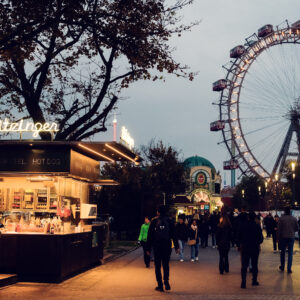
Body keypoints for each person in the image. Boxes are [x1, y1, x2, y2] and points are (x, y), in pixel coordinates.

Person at [146, 205, 179, 292]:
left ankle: (160, 285)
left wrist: (148, 249)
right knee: (166, 264)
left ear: (158, 212)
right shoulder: (170, 221)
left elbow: (150, 236)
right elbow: (174, 235)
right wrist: (177, 247)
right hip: (167, 245)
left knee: (157, 266)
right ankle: (166, 281)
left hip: (157, 246)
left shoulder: (154, 221)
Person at [238, 211, 264, 289]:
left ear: (248, 217)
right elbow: (261, 239)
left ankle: (243, 281)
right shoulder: (257, 226)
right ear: (255, 218)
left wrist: (240, 243)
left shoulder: (243, 226)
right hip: (254, 247)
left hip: (245, 247)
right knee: (254, 264)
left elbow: (239, 236)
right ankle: (254, 280)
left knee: (244, 265)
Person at [278, 207, 299, 273]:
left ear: (284, 211)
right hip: (291, 237)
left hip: (283, 237)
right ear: (290, 212)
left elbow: (279, 229)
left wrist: (278, 237)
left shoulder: (281, 219)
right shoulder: (294, 219)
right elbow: (297, 228)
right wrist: (292, 231)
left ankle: (282, 266)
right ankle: (289, 268)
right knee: (290, 253)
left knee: (282, 252)